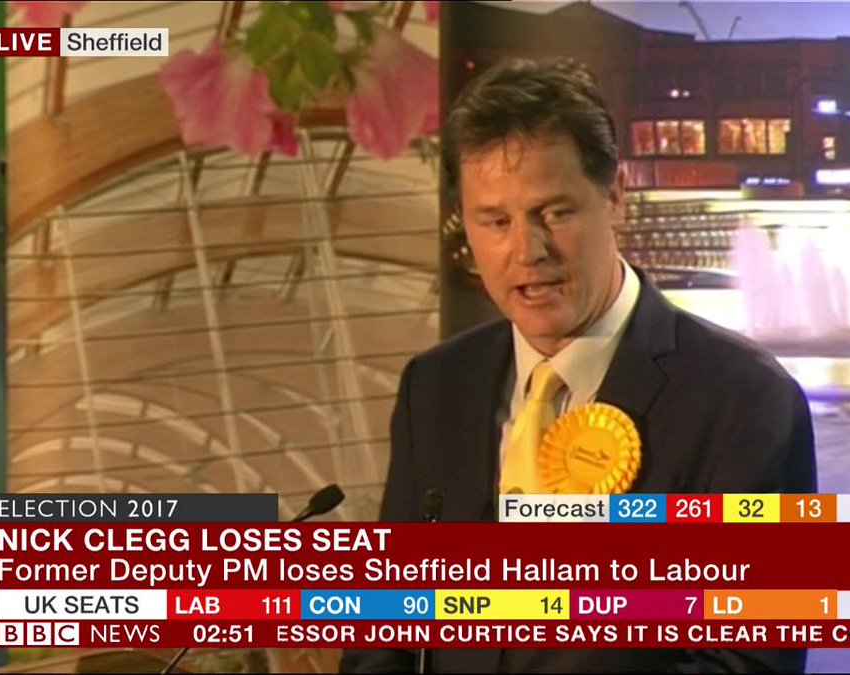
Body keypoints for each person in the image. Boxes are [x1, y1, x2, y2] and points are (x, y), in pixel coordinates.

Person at [340, 58, 816, 673]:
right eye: (496, 221)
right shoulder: (435, 387)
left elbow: (747, 664)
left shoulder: (746, 401)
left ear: (614, 195)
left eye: (554, 213)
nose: (527, 251)